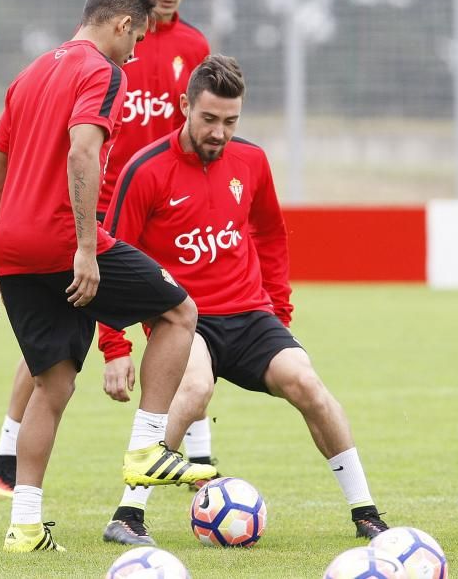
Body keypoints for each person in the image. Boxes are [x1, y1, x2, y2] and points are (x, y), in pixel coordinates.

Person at [97, 55, 390, 546]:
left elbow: (272, 236)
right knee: (194, 392)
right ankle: (128, 516)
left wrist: (280, 311)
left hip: (252, 315)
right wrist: (115, 348)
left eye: (230, 121)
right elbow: (112, 258)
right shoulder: (145, 169)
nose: (219, 132)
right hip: (182, 321)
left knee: (309, 385)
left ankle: (367, 513)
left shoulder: (251, 161)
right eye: (209, 119)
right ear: (185, 105)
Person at [0, 0, 216, 553]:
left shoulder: (29, 74)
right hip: (63, 241)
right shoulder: (104, 72)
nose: (136, 54)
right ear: (122, 24)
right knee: (181, 310)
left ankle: (25, 525)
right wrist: (86, 247)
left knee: (51, 386)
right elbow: (83, 150)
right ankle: (149, 446)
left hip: (12, 249)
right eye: (138, 40)